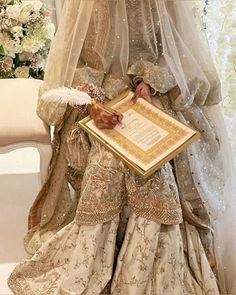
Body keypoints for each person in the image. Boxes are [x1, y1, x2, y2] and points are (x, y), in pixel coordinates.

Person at [8, 0, 235, 294]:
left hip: (149, 98)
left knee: (156, 165)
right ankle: (106, 259)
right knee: (109, 160)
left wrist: (149, 83)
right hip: (97, 100)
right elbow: (70, 66)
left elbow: (183, 57)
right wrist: (91, 103)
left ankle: (148, 268)